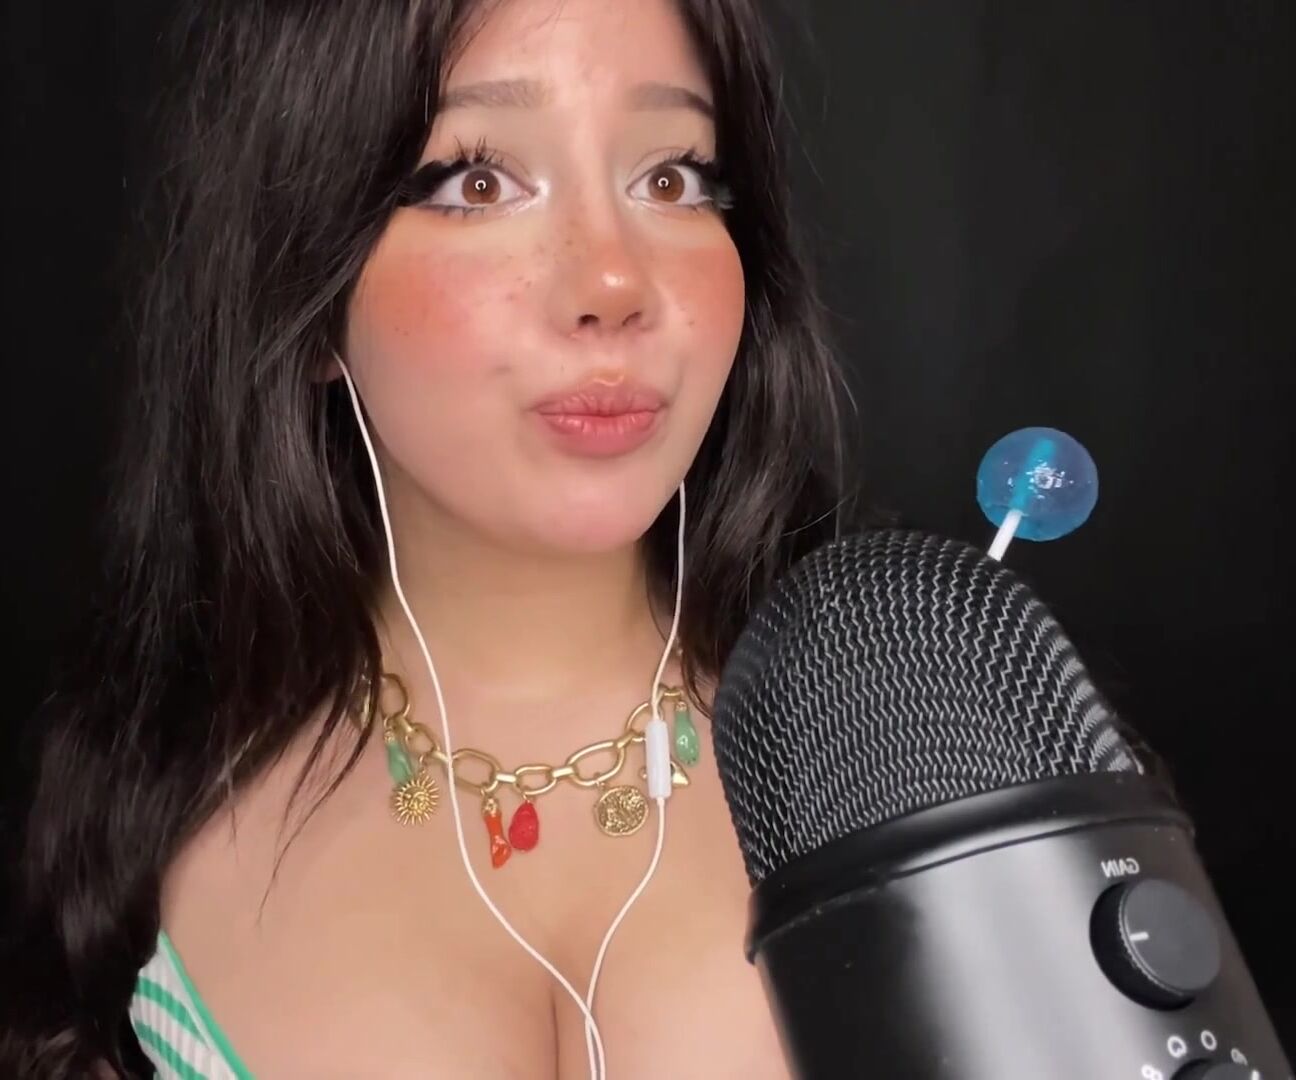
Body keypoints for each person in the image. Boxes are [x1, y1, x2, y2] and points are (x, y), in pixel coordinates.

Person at [4, 0, 851, 1074]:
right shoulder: (150, 811)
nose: (613, 285)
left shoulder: (913, 746)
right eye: (477, 181)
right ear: (306, 284)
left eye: (672, 176)